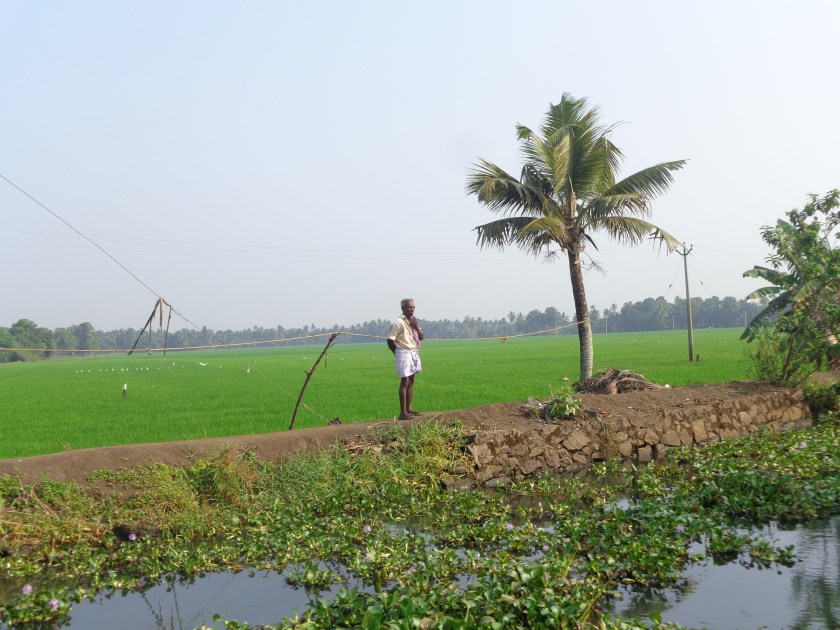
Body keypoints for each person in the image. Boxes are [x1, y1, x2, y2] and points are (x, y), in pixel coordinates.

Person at [387, 298, 424, 420]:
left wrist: (416, 326)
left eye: (413, 307)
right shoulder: (398, 322)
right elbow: (390, 340)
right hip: (403, 352)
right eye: (409, 307)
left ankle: (409, 408)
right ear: (403, 309)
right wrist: (397, 353)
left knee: (411, 381)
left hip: (413, 351)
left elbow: (421, 337)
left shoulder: (413, 321)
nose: (412, 309)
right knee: (405, 381)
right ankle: (403, 412)